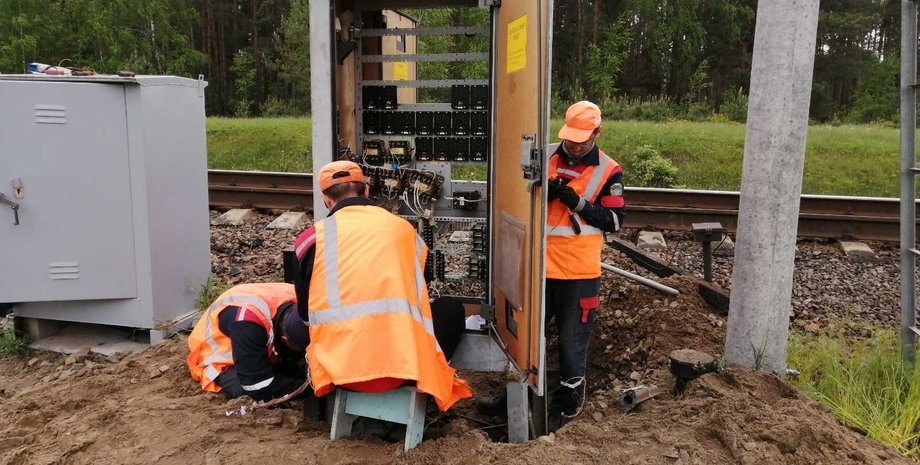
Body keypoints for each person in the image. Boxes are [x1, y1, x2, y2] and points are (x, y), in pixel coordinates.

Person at [478, 101, 625, 431]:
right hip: (535, 270)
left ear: (597, 133)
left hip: (578, 276)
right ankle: (514, 396)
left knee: (572, 345)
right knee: (522, 339)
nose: (574, 145)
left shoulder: (608, 170)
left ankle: (567, 410)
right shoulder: (542, 155)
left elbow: (615, 221)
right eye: (570, 138)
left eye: (581, 140)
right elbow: (514, 196)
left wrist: (578, 203)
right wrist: (540, 193)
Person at [292, 160, 471, 411]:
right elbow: (422, 285)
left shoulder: (310, 240)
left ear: (325, 200)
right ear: (366, 190)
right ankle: (424, 400)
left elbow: (304, 315)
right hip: (404, 371)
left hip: (339, 373)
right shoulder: (403, 230)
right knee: (450, 309)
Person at [186, 282, 310, 402]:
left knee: (293, 370)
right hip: (216, 355)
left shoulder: (304, 300)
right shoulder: (247, 325)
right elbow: (258, 386)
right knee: (249, 391)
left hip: (248, 329)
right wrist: (310, 390)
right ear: (284, 339)